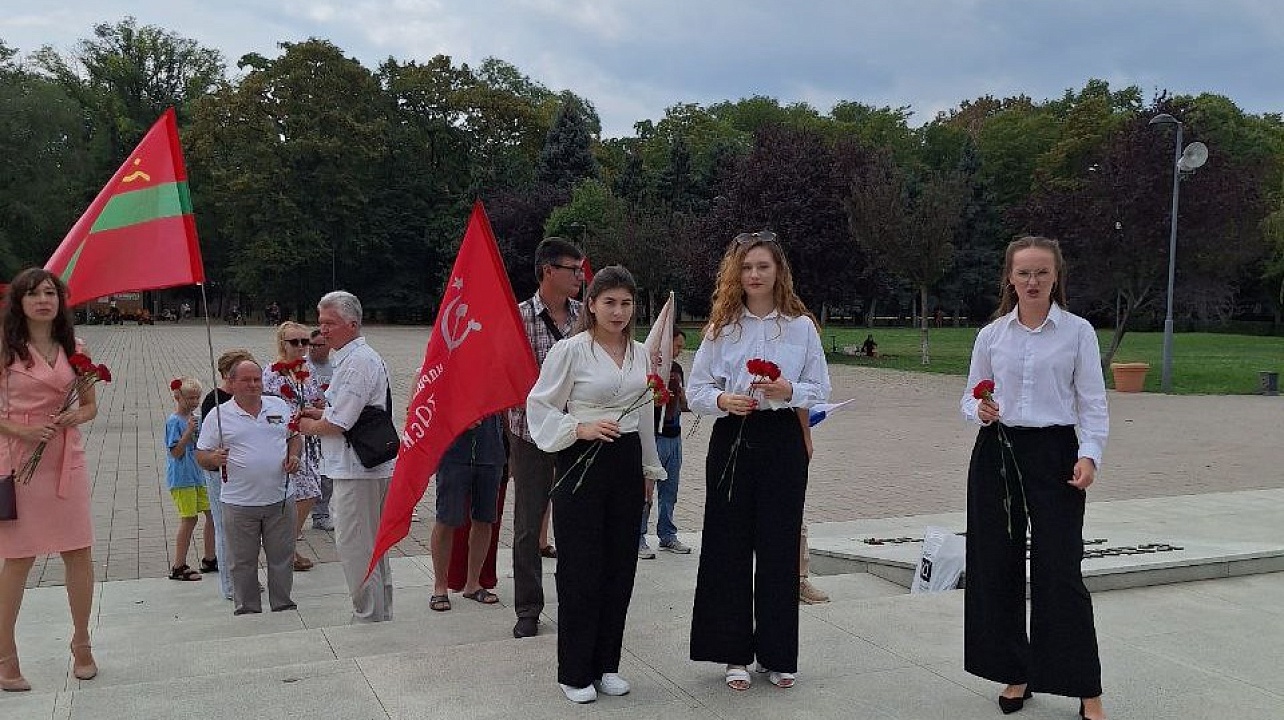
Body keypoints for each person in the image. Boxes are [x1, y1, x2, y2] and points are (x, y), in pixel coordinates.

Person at [960, 236, 1109, 720]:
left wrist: (1089, 455)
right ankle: (1015, 671)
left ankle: (1086, 688)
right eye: (1023, 273)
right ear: (1009, 277)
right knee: (995, 567)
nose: (1032, 281)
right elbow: (968, 398)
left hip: (1055, 452)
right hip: (998, 452)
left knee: (1060, 569)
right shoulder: (992, 335)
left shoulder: (1078, 332)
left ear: (1056, 276)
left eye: (1041, 272)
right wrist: (979, 409)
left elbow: (1091, 402)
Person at [687, 231, 831, 692]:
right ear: (736, 273)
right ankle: (733, 654)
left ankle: (777, 653)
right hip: (733, 437)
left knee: (777, 546)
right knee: (729, 546)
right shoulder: (721, 327)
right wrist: (723, 400)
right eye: (746, 267)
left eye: (763, 267)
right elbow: (696, 391)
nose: (754, 275)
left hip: (782, 438)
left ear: (778, 272)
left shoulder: (800, 326)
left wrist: (790, 391)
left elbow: (820, 388)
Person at [527, 265, 665, 704]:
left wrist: (648, 470)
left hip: (625, 462)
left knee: (620, 567)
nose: (618, 311)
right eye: (609, 302)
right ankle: (575, 670)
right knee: (581, 568)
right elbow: (539, 405)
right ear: (591, 304)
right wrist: (579, 429)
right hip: (581, 460)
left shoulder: (641, 353)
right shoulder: (571, 351)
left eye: (626, 303)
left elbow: (644, 415)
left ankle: (607, 665)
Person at [0, 269, 100, 691]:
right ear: (18, 302)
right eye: (33, 293)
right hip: (18, 459)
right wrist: (19, 430)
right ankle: (6, 654)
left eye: (50, 293)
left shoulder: (75, 348)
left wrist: (76, 414)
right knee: (19, 559)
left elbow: (91, 404)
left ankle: (82, 642)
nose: (43, 299)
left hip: (64, 457)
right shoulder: (4, 351)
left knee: (78, 550)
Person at [297, 291, 396, 624]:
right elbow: (345, 411)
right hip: (364, 466)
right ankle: (378, 612)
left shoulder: (356, 362)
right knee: (372, 547)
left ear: (352, 324)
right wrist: (320, 411)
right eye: (321, 322)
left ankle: (367, 615)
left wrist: (304, 423)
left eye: (330, 323)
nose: (322, 330)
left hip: (356, 469)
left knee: (356, 546)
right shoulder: (356, 358)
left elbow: (338, 423)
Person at [507, 237, 584, 639]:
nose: (580, 276)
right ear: (548, 270)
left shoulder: (587, 317)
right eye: (573, 268)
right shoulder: (517, 318)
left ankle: (575, 602)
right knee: (527, 523)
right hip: (530, 434)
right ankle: (528, 609)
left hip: (579, 434)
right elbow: (501, 376)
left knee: (575, 522)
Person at [196, 360, 301, 615]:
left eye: (256, 380)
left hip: (280, 498)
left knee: (282, 558)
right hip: (239, 503)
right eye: (246, 380)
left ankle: (283, 605)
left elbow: (294, 437)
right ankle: (247, 609)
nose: (253, 385)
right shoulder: (218, 415)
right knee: (242, 562)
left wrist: (294, 456)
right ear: (231, 383)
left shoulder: (278, 406)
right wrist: (213, 459)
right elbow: (200, 454)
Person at [261, 322, 325, 571]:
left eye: (305, 342)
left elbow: (317, 396)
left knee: (309, 491)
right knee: (300, 493)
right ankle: (284, 548)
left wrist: (318, 407)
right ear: (282, 344)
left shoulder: (307, 369)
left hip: (309, 439)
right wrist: (289, 422)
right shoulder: (272, 372)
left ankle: (286, 546)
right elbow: (266, 409)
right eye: (295, 342)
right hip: (285, 439)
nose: (301, 347)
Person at [427, 415, 505, 611]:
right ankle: (440, 586)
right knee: (446, 518)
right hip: (454, 451)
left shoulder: (495, 382)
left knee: (485, 518)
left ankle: (473, 583)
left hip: (490, 450)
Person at [200, 348, 256, 601]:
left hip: (246, 475)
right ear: (227, 375)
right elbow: (206, 445)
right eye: (241, 375)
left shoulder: (252, 398)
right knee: (226, 528)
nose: (249, 382)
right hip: (220, 473)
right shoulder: (215, 401)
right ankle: (231, 585)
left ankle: (247, 579)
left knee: (247, 532)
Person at [639, 327, 690, 558]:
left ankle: (667, 534)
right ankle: (638, 537)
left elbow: (684, 403)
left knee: (669, 491)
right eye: (677, 346)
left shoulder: (677, 369)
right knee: (646, 492)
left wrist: (683, 398)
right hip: (654, 437)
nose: (679, 351)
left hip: (674, 437)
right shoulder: (650, 368)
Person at [164, 377, 217, 582]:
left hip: (199, 475)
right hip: (182, 478)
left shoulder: (198, 418)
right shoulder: (174, 422)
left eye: (197, 397)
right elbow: (175, 452)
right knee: (189, 519)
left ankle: (210, 558)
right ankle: (179, 565)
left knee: (212, 514)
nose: (195, 402)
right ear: (178, 397)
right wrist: (187, 432)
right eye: (190, 398)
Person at [305, 328, 334, 531]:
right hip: (306, 426)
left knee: (327, 474)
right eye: (311, 344)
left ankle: (321, 514)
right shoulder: (302, 367)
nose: (313, 349)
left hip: (327, 423)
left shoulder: (336, 367)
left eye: (319, 345)